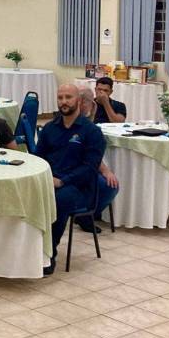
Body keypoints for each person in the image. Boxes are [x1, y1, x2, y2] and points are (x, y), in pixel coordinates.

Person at [36, 83, 107, 275]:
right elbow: (38, 159)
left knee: (59, 199)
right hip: (50, 181)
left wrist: (62, 181)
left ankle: (48, 254)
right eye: (60, 98)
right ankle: (28, 249)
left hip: (80, 188)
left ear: (79, 101)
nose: (64, 102)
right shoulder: (49, 128)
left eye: (68, 97)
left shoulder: (91, 132)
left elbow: (90, 168)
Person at [77, 88, 120, 234]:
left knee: (108, 181)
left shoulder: (88, 121)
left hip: (84, 165)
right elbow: (87, 153)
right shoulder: (75, 122)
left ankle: (85, 212)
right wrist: (105, 170)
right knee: (108, 185)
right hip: (73, 168)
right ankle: (85, 214)